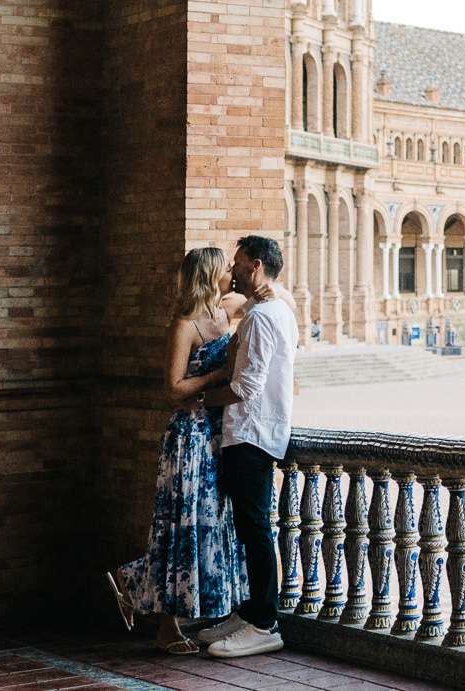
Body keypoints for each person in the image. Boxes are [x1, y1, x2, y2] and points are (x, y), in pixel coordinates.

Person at [105, 246, 246, 653]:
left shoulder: (227, 309)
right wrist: (219, 373)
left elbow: (274, 294)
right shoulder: (185, 325)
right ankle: (167, 626)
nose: (231, 277)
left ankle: (136, 586)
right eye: (224, 271)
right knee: (181, 527)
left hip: (219, 433)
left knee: (212, 527)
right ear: (208, 276)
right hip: (189, 436)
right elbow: (173, 389)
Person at [197, 234, 296, 659]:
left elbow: (246, 387)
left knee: (254, 529)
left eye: (237, 263)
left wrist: (201, 400)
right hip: (262, 431)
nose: (232, 270)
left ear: (254, 266)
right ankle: (252, 610)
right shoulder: (275, 310)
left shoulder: (260, 317)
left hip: (251, 434)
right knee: (248, 527)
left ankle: (264, 623)